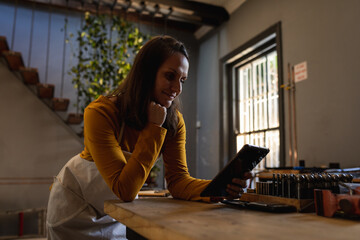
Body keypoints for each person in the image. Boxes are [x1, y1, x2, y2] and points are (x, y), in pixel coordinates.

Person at [46, 35, 251, 240]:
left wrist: (217, 189)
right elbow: (124, 190)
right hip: (73, 211)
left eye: (182, 80)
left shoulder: (174, 122)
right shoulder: (101, 112)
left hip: (113, 214)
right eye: (170, 76)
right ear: (146, 73)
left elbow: (178, 181)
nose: (177, 89)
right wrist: (153, 127)